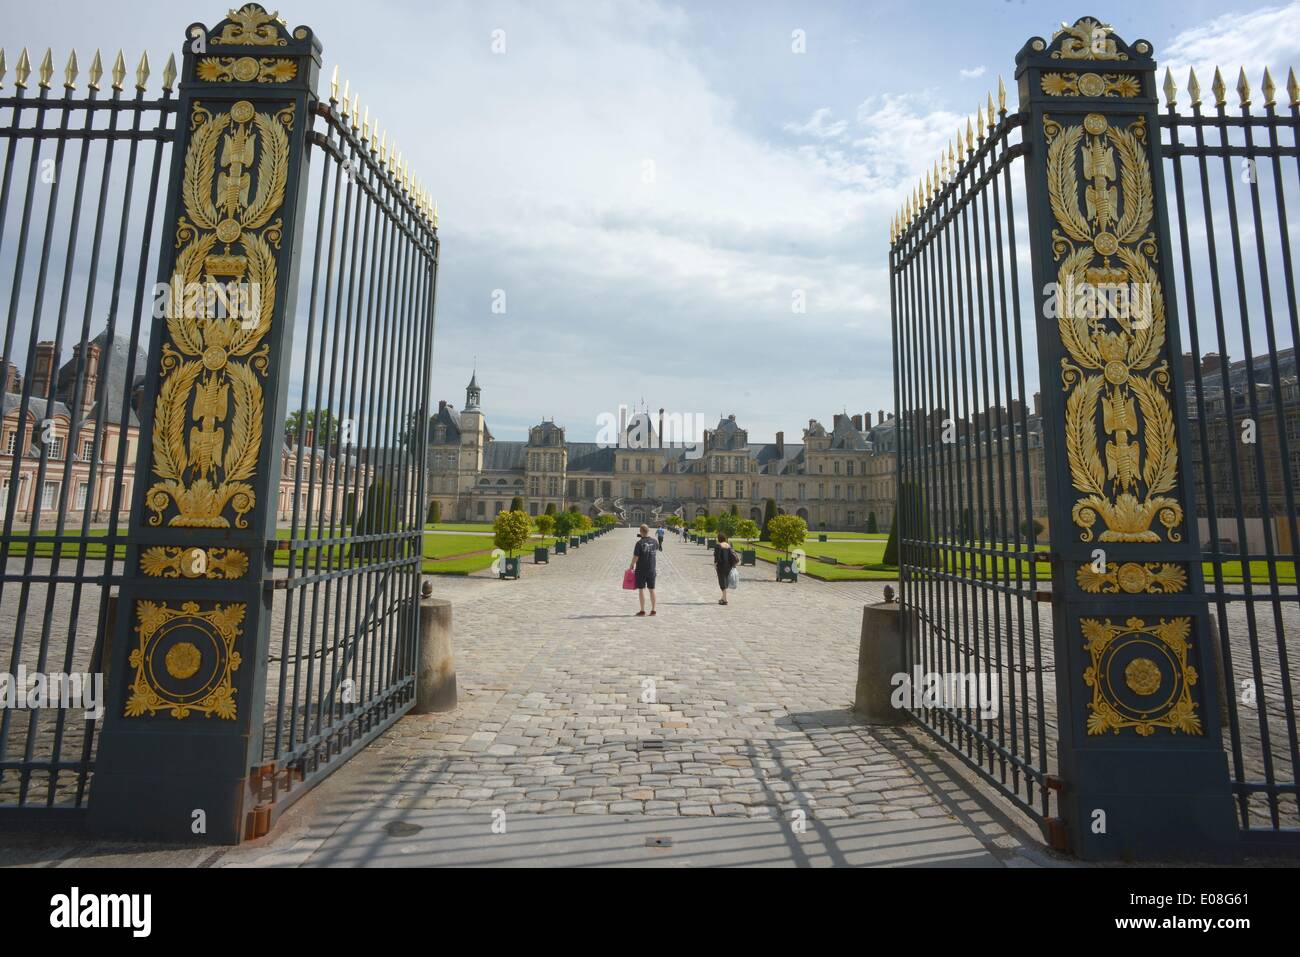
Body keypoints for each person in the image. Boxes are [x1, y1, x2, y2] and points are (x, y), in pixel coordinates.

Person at [630, 523, 658, 616]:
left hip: (641, 570)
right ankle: (653, 609)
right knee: (652, 589)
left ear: (641, 532)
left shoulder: (639, 543)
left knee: (641, 589)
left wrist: (632, 565)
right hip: (651, 569)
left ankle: (642, 610)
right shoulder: (655, 541)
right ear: (648, 531)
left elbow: (636, 556)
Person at [714, 531, 740, 605]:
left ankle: (725, 599)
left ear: (719, 538)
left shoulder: (718, 546)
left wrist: (715, 564)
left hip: (721, 566)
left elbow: (717, 557)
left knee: (722, 582)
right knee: (725, 581)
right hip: (729, 566)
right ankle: (722, 598)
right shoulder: (728, 545)